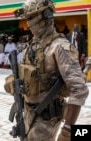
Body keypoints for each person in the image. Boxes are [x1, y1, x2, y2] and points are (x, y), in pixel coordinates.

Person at [5, 0, 89, 141]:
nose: (28, 22)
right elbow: (21, 74)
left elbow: (79, 90)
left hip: (46, 117)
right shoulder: (31, 46)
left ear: (46, 16)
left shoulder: (59, 46)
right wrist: (12, 83)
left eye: (31, 17)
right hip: (27, 112)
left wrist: (68, 130)